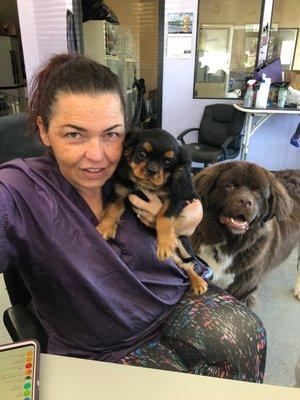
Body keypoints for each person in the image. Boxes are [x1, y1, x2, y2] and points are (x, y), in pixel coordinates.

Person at [0, 53, 266, 382]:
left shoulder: (132, 166)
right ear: (43, 130)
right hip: (103, 343)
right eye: (74, 135)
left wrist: (191, 213)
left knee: (245, 334)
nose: (96, 156)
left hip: (173, 296)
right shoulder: (19, 189)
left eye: (111, 134)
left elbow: (188, 194)